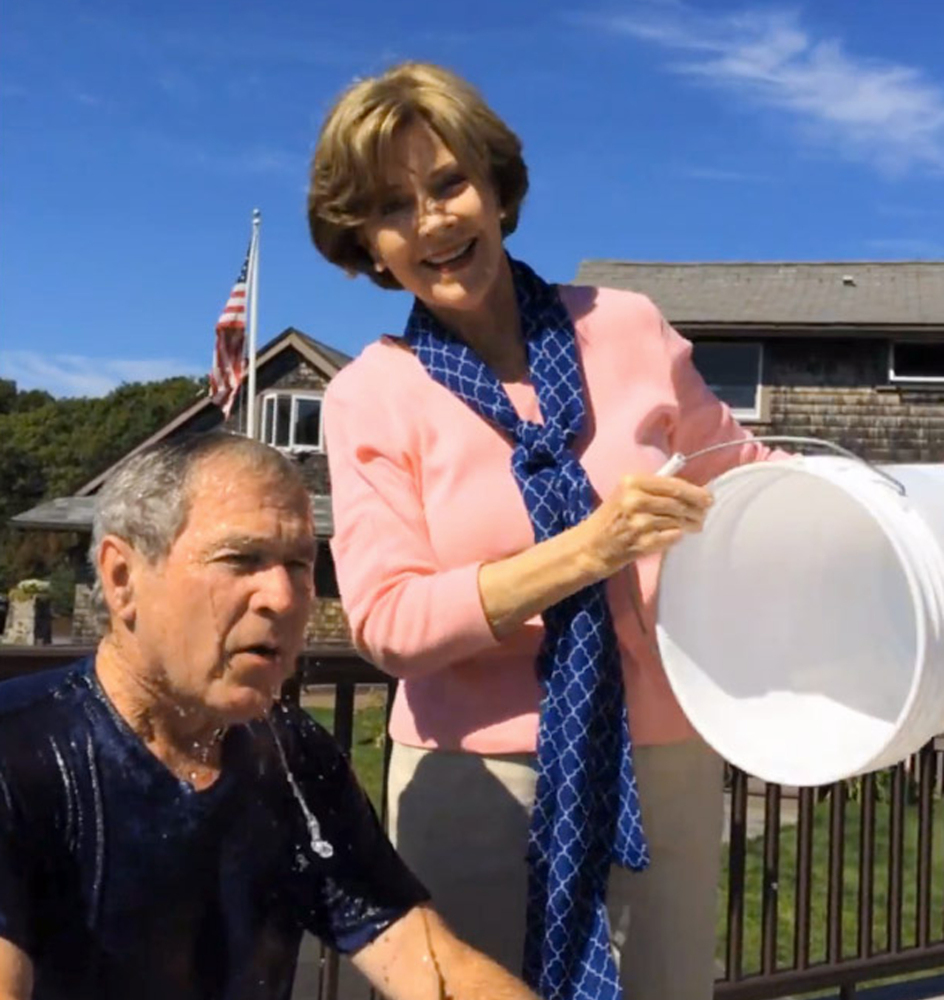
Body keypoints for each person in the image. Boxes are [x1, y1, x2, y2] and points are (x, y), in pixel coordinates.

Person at [307, 62, 781, 1000]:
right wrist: (587, 552)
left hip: (665, 767)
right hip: (472, 786)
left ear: (493, 184)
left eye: (448, 182)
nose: (434, 220)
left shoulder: (631, 329)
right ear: (366, 243)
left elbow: (755, 482)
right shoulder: (370, 394)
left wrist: (886, 515)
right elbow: (389, 622)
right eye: (395, 207)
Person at [0, 432, 540, 1000]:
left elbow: (425, 960)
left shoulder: (290, 755)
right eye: (241, 559)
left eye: (300, 564)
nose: (282, 598)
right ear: (122, 578)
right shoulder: (20, 755)